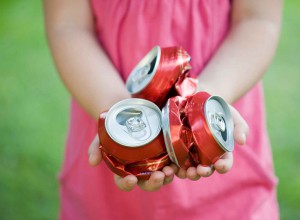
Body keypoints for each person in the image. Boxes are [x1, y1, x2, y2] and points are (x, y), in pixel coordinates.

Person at [43, 0, 282, 219]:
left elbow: (258, 20)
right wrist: (116, 110)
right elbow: (68, 25)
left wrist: (205, 99)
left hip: (229, 167)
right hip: (101, 107)